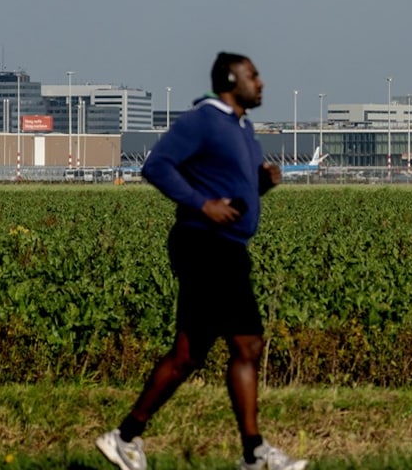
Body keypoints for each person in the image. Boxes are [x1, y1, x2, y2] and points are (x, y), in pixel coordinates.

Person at [96, 52, 306, 470]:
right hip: (205, 244)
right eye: (253, 75)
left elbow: (231, 193)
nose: (261, 82)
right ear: (230, 79)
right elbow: (156, 166)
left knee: (196, 353)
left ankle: (126, 437)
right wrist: (201, 204)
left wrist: (261, 185)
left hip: (227, 246)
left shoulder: (242, 128)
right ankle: (254, 455)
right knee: (241, 345)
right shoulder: (204, 120)